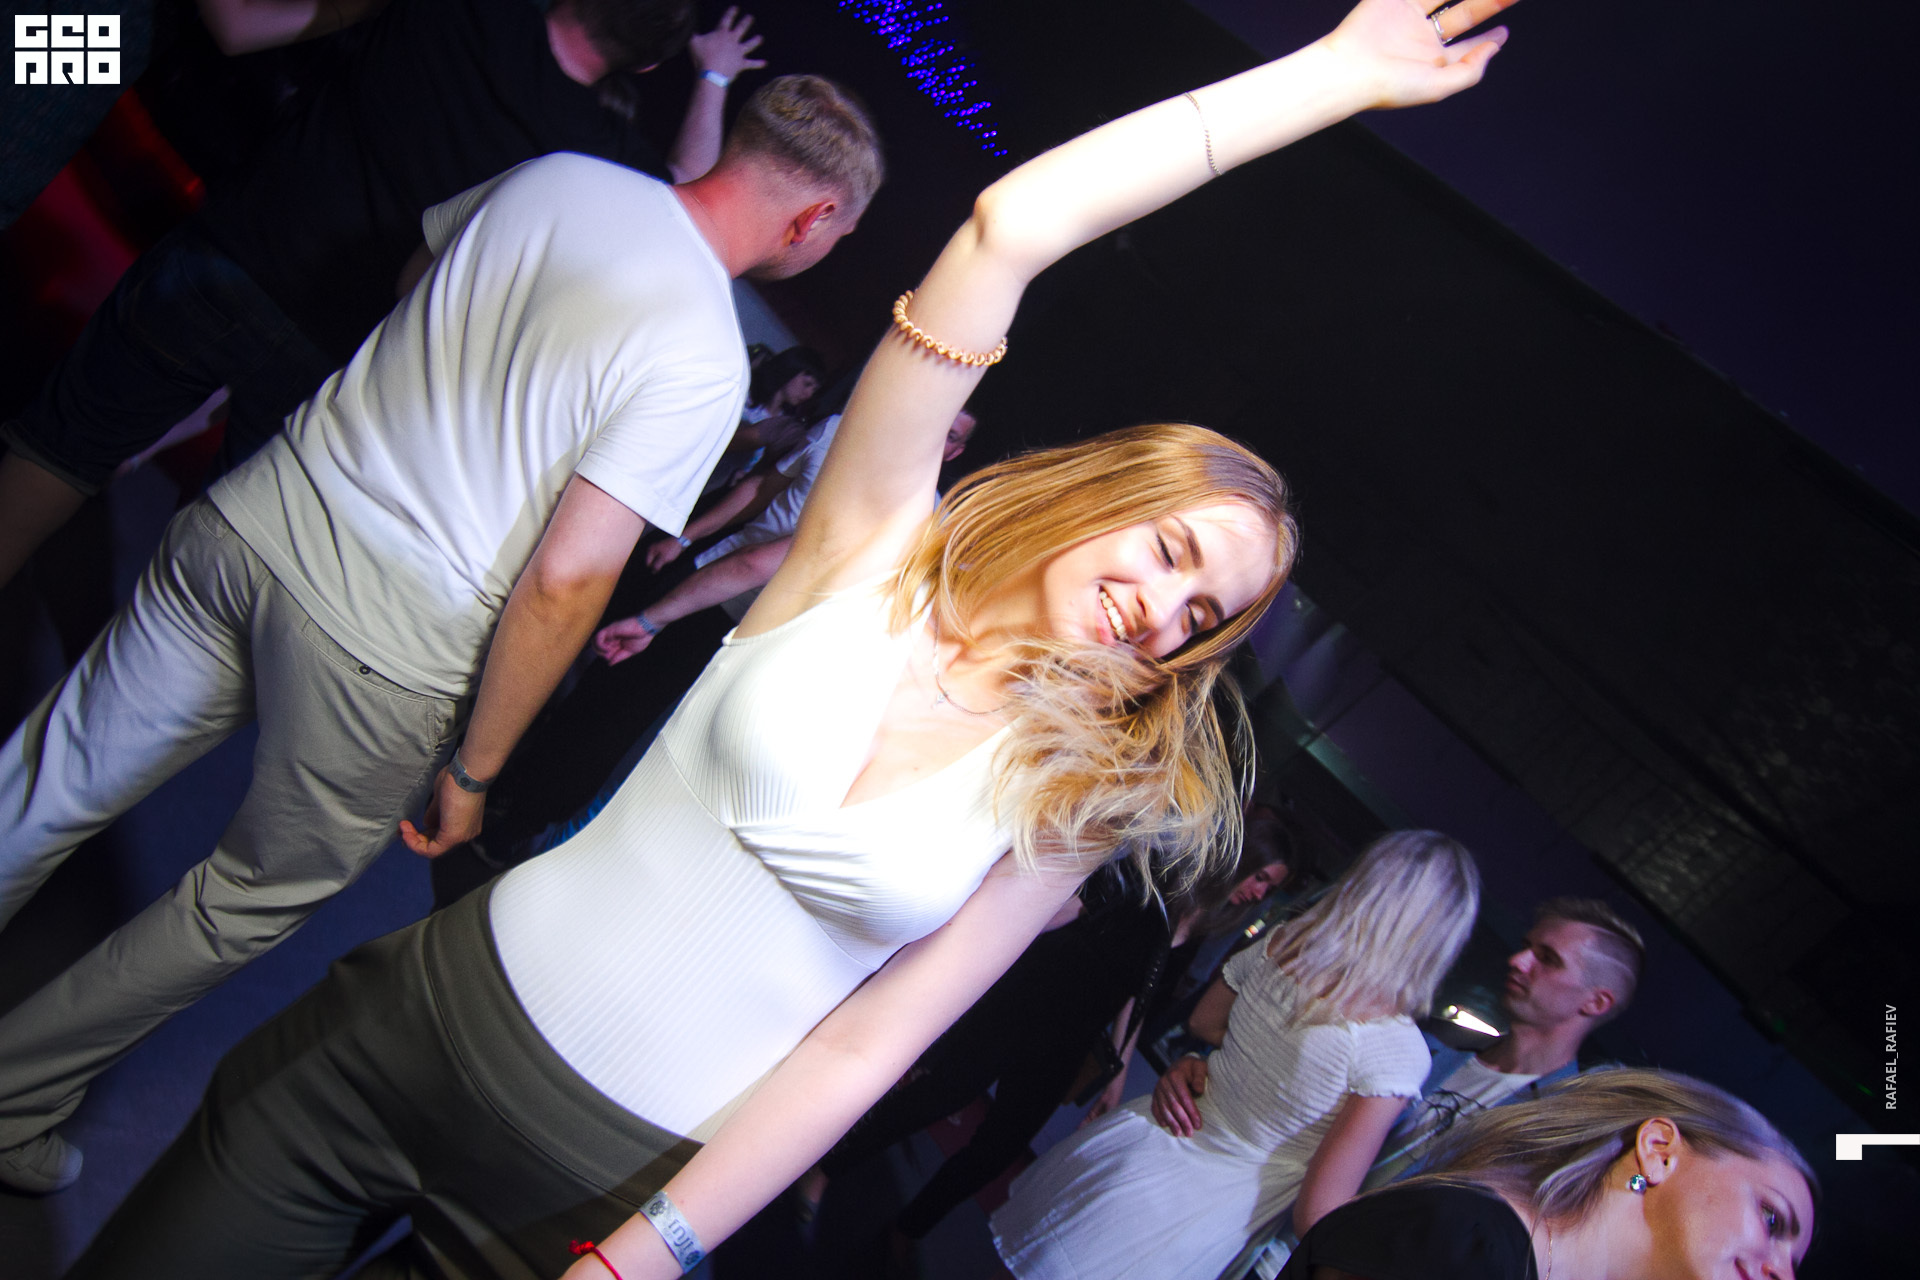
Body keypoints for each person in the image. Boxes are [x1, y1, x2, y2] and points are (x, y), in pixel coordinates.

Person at [59, 2, 1517, 1273]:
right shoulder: (868, 554)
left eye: (1203, 618)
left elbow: (873, 1042)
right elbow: (1010, 230)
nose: (1165, 608)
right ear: (1101, 502)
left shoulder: (1078, 792)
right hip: (412, 1023)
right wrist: (1329, 77)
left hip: (607, 1179)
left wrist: (648, 1251)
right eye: (1172, 551)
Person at [0, 74, 882, 1195]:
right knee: (243, 897)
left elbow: (418, 281)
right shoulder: (705, 355)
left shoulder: (559, 180)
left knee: (59, 768)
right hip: (387, 642)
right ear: (814, 219)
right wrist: (474, 769)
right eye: (840, 234)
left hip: (265, 509)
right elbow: (566, 579)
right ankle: (10, 1094)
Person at [0, 0, 772, 589]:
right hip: (330, 354)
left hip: (233, 253)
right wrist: (713, 76)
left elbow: (249, 23)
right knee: (204, 558)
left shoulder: (453, 11)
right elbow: (690, 193)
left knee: (61, 450)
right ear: (647, 64)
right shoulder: (594, 154)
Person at [990, 830, 1481, 1280]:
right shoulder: (1396, 1052)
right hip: (1203, 1209)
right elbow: (1318, 1212)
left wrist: (1216, 1067)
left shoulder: (1284, 945)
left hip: (1145, 1142)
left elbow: (1204, 1021)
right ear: (1440, 936)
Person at [1279, 1067, 1817, 1280]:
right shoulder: (1460, 1243)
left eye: (1795, 1263)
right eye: (1773, 1220)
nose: (1782, 1274)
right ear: (1658, 1152)